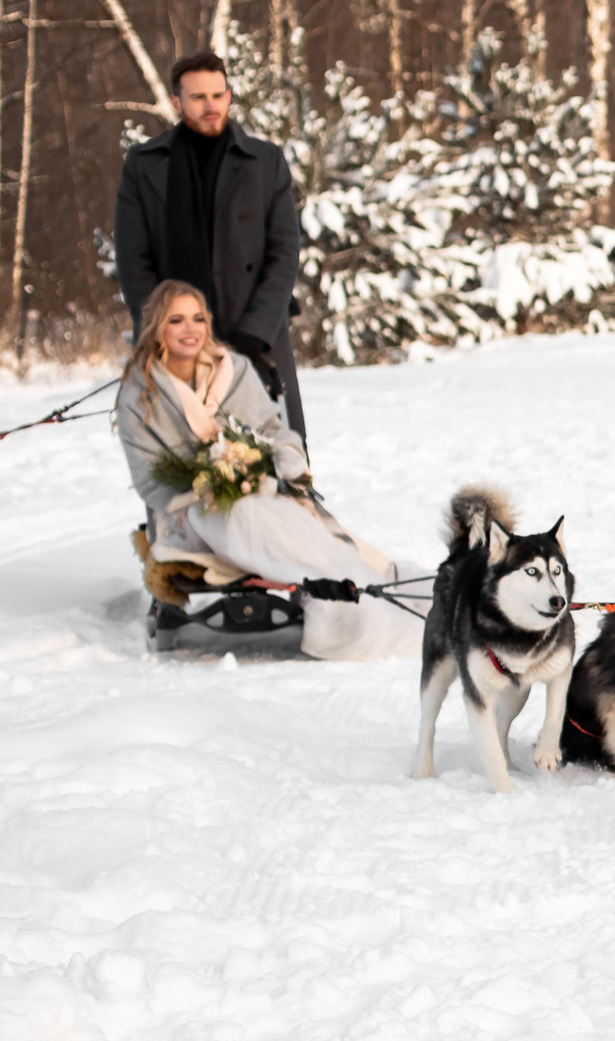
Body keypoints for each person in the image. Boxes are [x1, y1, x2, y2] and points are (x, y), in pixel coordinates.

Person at [117, 280, 415, 662]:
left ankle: (363, 590)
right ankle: (342, 607)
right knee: (242, 513)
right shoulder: (138, 393)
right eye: (176, 320)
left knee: (285, 518)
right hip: (189, 512)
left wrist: (285, 456)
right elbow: (148, 478)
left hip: (257, 490)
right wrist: (212, 482)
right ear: (158, 327)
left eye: (197, 318)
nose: (190, 329)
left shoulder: (234, 370)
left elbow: (274, 432)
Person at [115, 51, 310, 444]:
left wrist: (254, 335)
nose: (211, 106)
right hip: (174, 348)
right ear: (176, 102)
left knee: (274, 467)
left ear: (229, 95)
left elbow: (285, 251)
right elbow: (134, 261)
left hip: (257, 341)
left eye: (218, 95)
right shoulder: (144, 164)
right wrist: (164, 333)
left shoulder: (265, 161)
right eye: (198, 97)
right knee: (178, 472)